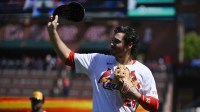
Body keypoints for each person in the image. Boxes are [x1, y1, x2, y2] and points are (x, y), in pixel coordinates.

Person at [47, 15, 159, 112]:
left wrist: (135, 95)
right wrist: (52, 33)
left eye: (117, 42)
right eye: (112, 40)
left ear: (129, 45)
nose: (112, 44)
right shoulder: (98, 60)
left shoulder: (144, 71)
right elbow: (69, 58)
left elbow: (155, 105)